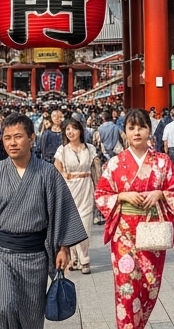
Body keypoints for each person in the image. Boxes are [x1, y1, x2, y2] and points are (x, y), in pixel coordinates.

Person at [0, 113, 87, 329]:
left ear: (31, 138)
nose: (12, 143)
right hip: (2, 253)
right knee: (4, 306)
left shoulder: (48, 174)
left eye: (18, 137)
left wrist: (63, 248)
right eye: (7, 137)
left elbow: (62, 211)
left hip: (35, 255)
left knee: (31, 316)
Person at [95, 108, 174, 328]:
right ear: (124, 131)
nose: (137, 132)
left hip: (152, 234)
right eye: (131, 127)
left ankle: (140, 324)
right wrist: (122, 195)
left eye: (141, 127)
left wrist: (161, 193)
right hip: (124, 236)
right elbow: (101, 194)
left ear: (150, 130)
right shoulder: (115, 164)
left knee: (149, 287)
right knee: (126, 289)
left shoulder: (162, 161)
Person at [53, 117, 98, 274]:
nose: (70, 132)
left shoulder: (90, 149)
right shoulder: (62, 150)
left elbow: (95, 170)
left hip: (86, 188)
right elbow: (56, 169)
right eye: (67, 129)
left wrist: (100, 190)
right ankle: (74, 257)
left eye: (74, 128)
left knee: (85, 225)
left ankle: (84, 259)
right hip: (69, 189)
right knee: (71, 224)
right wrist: (65, 176)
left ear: (80, 130)